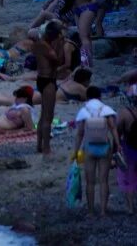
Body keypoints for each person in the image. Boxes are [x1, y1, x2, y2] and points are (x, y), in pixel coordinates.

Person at [73, 85, 122, 216]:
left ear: (87, 97)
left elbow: (80, 134)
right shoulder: (106, 110)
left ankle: (90, 211)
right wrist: (118, 144)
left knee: (90, 182)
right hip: (105, 147)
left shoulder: (84, 111)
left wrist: (75, 151)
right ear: (100, 96)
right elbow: (113, 129)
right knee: (103, 180)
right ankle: (103, 211)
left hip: (89, 147)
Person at [32, 21, 65, 155]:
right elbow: (59, 61)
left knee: (42, 114)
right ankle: (46, 148)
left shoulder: (38, 44)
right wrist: (60, 44)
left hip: (41, 79)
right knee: (48, 117)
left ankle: (39, 145)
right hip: (48, 80)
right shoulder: (48, 48)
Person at [117, 85, 137, 215]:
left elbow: (117, 132)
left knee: (129, 178)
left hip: (129, 149)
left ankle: (130, 208)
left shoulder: (125, 113)